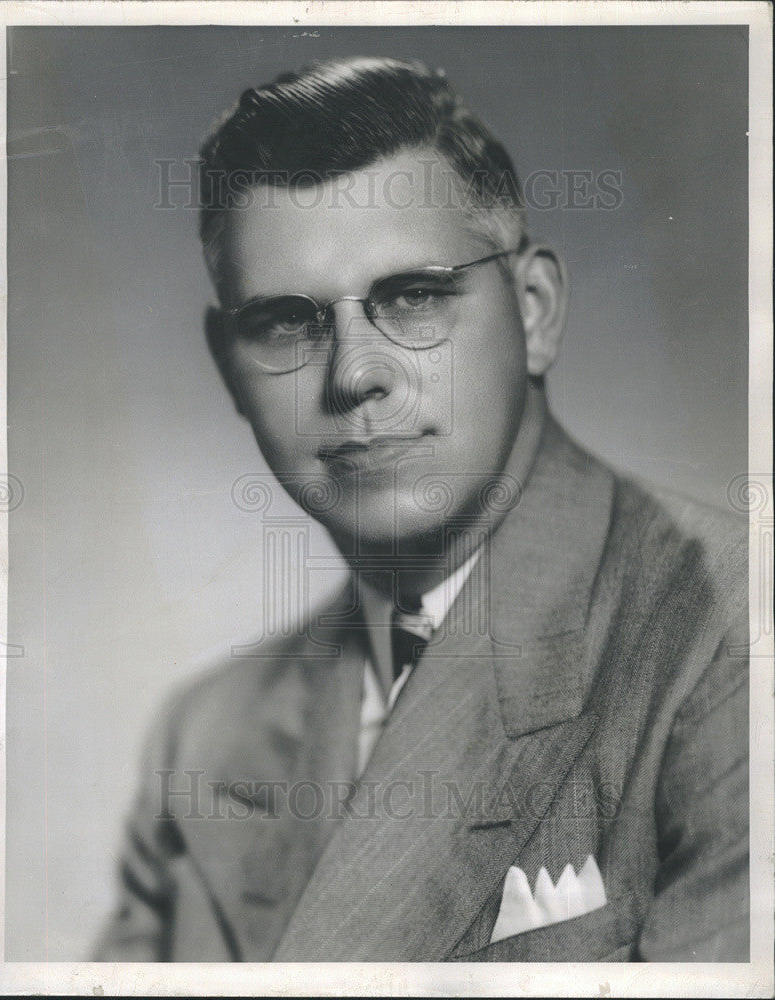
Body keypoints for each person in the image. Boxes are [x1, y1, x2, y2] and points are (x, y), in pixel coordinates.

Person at [94, 56, 748, 962]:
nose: (355, 373)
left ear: (536, 310)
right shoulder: (207, 737)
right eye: (288, 321)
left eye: (415, 298)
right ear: (226, 368)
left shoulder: (728, 635)